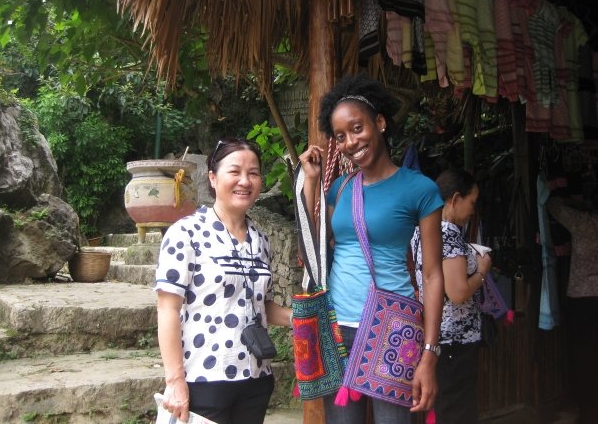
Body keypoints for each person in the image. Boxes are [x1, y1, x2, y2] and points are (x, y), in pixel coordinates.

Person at [298, 75, 445, 424]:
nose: (350, 142)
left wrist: (429, 353)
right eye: (340, 136)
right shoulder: (340, 188)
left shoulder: (420, 189)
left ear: (380, 123)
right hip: (336, 326)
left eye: (357, 128)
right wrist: (312, 181)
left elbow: (432, 274)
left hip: (393, 326)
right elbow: (313, 251)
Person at [154, 138, 292, 424]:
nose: (245, 181)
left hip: (256, 379)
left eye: (253, 173)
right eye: (235, 171)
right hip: (204, 379)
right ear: (213, 178)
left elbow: (260, 306)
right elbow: (168, 309)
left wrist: (302, 317)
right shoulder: (186, 233)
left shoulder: (261, 240)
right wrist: (175, 380)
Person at [411, 169, 492, 424]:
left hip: (435, 336)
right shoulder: (449, 235)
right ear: (456, 199)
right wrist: (482, 271)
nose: (472, 211)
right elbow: (458, 293)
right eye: (472, 203)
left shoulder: (422, 229)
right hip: (455, 340)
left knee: (445, 409)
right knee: (457, 412)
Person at [547, 194, 598, 424]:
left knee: (583, 355)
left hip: (582, 298)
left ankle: (588, 411)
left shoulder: (583, 222)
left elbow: (553, 205)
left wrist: (576, 203)